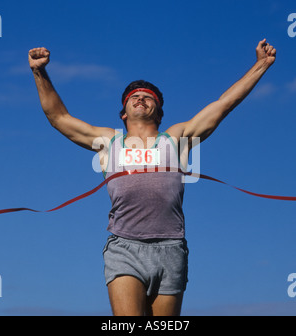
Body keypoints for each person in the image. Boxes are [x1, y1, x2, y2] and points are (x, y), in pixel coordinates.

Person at [28, 39, 276, 316]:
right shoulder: (109, 141)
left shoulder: (177, 138)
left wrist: (261, 65)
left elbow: (224, 104)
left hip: (171, 248)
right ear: (124, 113)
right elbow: (58, 117)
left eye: (148, 97)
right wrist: (40, 72)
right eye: (133, 97)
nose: (140, 98)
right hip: (124, 246)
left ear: (159, 112)